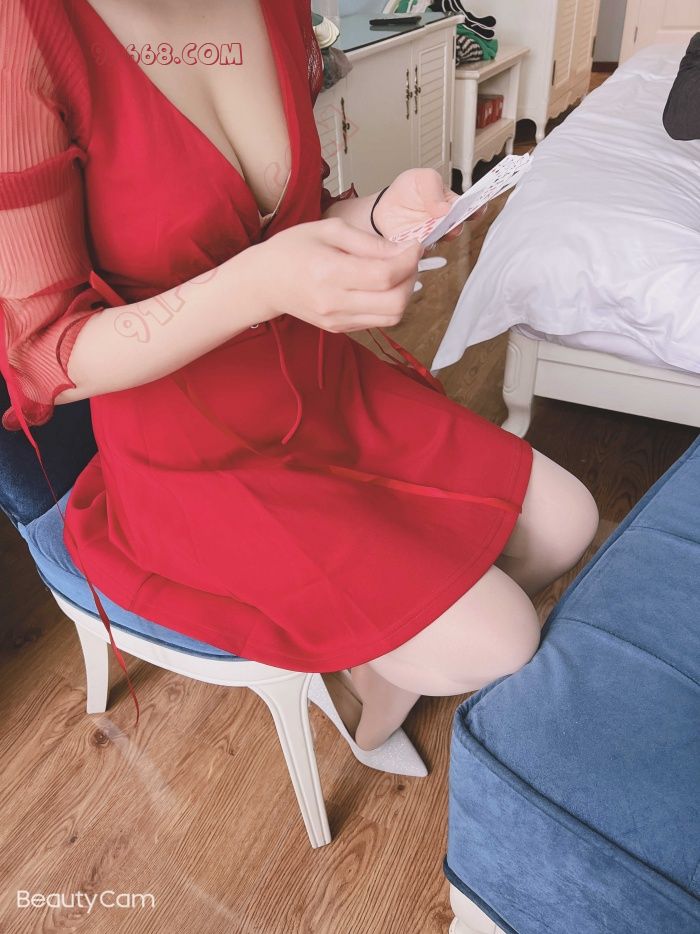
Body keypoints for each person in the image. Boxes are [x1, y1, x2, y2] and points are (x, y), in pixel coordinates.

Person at [0, 0, 598, 771]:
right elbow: (45, 357)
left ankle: (376, 647)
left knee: (568, 522)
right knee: (505, 636)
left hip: (322, 387)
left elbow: (296, 217)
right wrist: (258, 285)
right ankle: (366, 674)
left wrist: (381, 215)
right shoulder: (26, 32)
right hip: (189, 455)